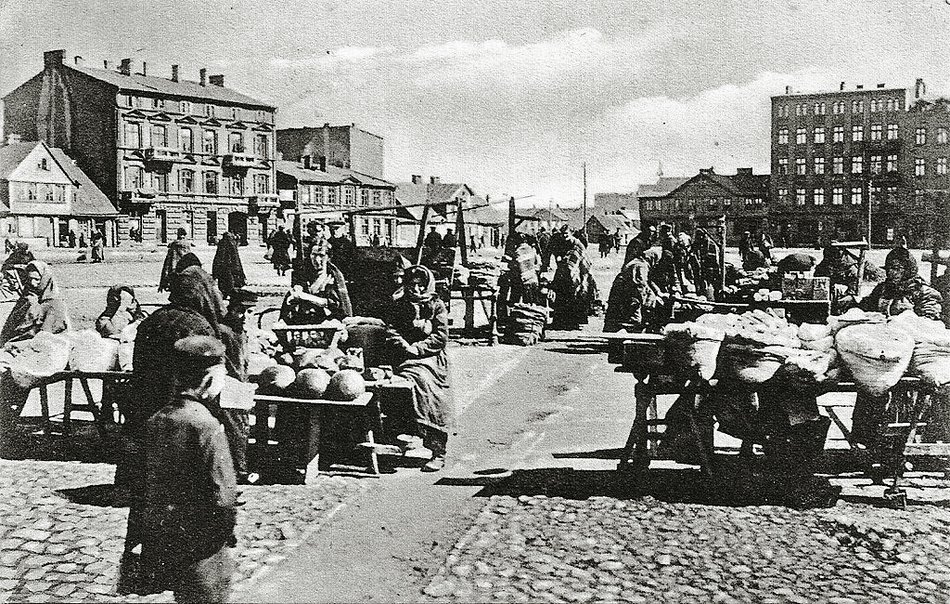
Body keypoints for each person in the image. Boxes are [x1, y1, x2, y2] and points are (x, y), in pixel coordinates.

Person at [139, 335, 236, 603]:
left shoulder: (158, 418)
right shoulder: (207, 426)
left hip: (168, 534)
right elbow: (223, 494)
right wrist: (227, 533)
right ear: (208, 379)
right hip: (204, 540)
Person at [852, 247, 943, 448]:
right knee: (870, 385)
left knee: (904, 402)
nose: (891, 273)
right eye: (889, 269)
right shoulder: (882, 289)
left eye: (897, 269)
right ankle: (866, 439)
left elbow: (929, 326)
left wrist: (906, 319)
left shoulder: (925, 293)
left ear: (908, 270)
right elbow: (867, 308)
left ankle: (898, 443)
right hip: (881, 352)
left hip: (908, 356)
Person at [384, 265, 454, 472]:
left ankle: (438, 449)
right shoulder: (399, 305)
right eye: (412, 284)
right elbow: (391, 329)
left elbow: (440, 336)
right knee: (394, 385)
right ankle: (402, 436)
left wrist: (418, 348)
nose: (416, 289)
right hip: (404, 355)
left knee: (424, 383)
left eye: (420, 285)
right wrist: (403, 345)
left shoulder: (436, 305)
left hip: (430, 358)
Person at [219, 288, 258, 485]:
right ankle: (238, 471)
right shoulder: (224, 331)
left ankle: (238, 468)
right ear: (231, 309)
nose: (244, 316)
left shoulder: (241, 332)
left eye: (250, 312)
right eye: (240, 311)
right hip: (227, 388)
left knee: (241, 427)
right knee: (235, 428)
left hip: (238, 387)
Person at [0, 261, 69, 346]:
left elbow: (48, 333)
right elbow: (10, 327)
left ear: (45, 279)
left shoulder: (55, 303)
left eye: (37, 279)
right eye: (30, 279)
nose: (32, 283)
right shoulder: (26, 298)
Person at [281, 243, 353, 325]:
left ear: (328, 257)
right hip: (303, 319)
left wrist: (305, 296)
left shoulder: (332, 278)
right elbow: (295, 293)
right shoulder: (304, 274)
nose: (317, 259)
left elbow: (335, 305)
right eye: (314, 255)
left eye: (321, 255)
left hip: (327, 321)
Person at [603, 238, 660, 333]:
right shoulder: (641, 265)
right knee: (633, 320)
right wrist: (647, 302)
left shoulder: (636, 262)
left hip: (620, 292)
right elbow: (640, 285)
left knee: (616, 318)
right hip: (627, 295)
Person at [550, 232, 600, 330]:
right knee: (567, 299)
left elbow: (577, 265)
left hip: (577, 276)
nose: (565, 237)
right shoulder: (566, 245)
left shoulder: (577, 247)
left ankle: (572, 323)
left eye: (566, 235)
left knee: (574, 299)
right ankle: (565, 322)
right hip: (571, 276)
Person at [211, 232, 246, 299]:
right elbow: (236, 260)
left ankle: (226, 294)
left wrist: (215, 273)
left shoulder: (222, 245)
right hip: (230, 269)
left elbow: (217, 259)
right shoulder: (232, 245)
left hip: (224, 269)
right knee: (229, 283)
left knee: (225, 283)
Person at [690, 229, 721, 298]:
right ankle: (701, 294)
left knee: (711, 282)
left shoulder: (711, 244)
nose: (699, 238)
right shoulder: (697, 242)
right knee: (700, 281)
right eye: (697, 236)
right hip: (699, 267)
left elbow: (715, 259)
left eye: (700, 236)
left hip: (709, 267)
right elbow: (693, 251)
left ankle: (714, 296)